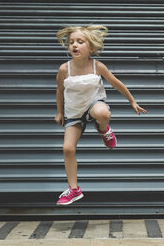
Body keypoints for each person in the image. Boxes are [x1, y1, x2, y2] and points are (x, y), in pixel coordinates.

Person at [54, 25, 146, 205]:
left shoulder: (98, 66)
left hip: (93, 105)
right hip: (74, 113)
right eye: (72, 42)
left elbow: (116, 83)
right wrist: (59, 112)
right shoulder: (65, 69)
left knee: (102, 112)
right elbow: (59, 90)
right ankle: (74, 190)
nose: (75, 45)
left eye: (80, 42)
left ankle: (103, 129)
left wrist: (132, 101)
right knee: (67, 149)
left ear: (91, 47)